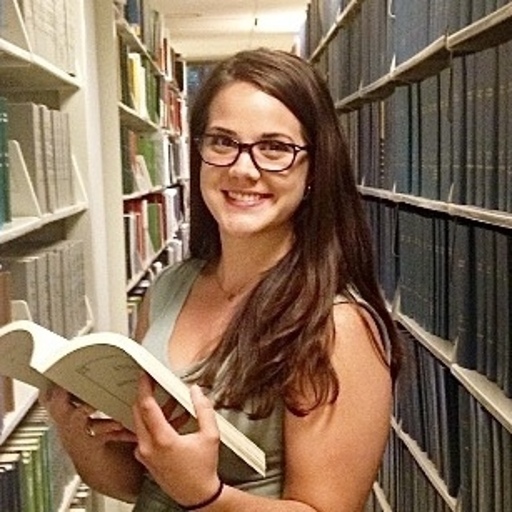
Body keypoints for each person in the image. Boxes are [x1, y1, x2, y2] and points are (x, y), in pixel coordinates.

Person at [41, 47, 402, 511]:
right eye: (222, 142)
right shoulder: (168, 289)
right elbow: (140, 484)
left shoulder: (337, 327)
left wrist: (206, 496)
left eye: (275, 148)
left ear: (315, 167)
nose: (243, 169)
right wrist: (78, 437)